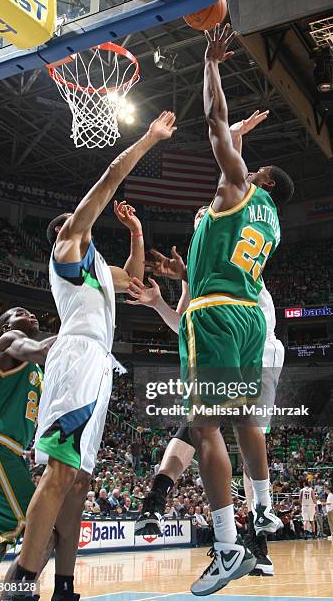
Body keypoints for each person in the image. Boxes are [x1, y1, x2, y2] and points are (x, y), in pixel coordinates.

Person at [8, 111, 177, 601]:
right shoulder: (66, 246)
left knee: (79, 482)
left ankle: (64, 586)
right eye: (79, 221)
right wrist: (147, 140)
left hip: (100, 365)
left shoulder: (98, 268)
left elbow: (137, 279)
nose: (85, 224)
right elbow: (106, 182)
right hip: (77, 356)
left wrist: (137, 234)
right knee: (60, 474)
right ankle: (19, 584)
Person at [180, 23, 292, 595]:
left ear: (260, 178)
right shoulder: (271, 220)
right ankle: (265, 509)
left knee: (206, 429)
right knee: (248, 420)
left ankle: (227, 547)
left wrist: (211, 65)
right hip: (251, 317)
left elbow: (214, 122)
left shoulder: (237, 186)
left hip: (217, 313)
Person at [128, 200, 285, 579]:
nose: (200, 221)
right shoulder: (200, 265)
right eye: (195, 218)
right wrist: (159, 301)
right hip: (236, 335)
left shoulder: (223, 242)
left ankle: (252, 541)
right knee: (204, 424)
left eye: (205, 216)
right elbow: (187, 325)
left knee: (226, 430)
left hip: (251, 339)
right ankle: (161, 502)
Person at [0, 308, 55, 583]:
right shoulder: (9, 341)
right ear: (4, 327)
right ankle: (16, 595)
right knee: (44, 529)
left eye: (33, 312)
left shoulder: (31, 368)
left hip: (8, 449)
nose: (31, 314)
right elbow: (45, 350)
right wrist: (83, 328)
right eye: (21, 312)